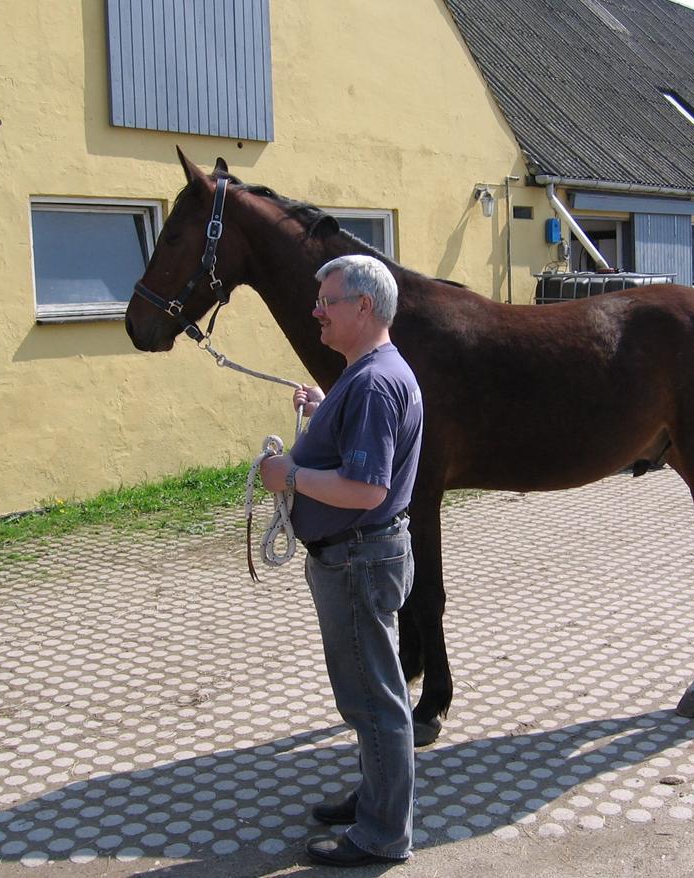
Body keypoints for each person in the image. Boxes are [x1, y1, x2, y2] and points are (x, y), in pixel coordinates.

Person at [260, 254, 423, 868]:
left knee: (372, 700)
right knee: (369, 693)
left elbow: (366, 490)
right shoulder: (366, 375)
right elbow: (360, 450)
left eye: (327, 300)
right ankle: (376, 797)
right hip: (359, 557)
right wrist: (323, 406)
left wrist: (290, 475)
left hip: (356, 560)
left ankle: (382, 834)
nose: (316, 311)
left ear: (363, 307)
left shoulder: (376, 382)